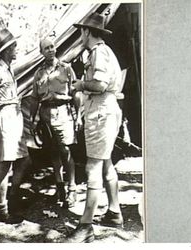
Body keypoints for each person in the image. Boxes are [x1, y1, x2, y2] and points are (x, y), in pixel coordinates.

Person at [65, 13, 124, 242]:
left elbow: (99, 85)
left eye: (82, 31)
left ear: (87, 32)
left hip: (101, 111)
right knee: (105, 162)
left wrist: (80, 84)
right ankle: (115, 212)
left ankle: (86, 225)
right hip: (104, 110)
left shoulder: (99, 52)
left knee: (93, 167)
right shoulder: (101, 52)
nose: (81, 35)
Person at [0, 28, 30, 222]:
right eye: (13, 47)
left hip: (14, 119)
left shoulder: (8, 69)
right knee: (5, 165)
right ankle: (2, 210)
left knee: (25, 160)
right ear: (5, 50)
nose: (16, 50)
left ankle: (13, 197)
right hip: (4, 119)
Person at [30, 37, 80, 208]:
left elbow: (75, 94)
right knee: (53, 152)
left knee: (65, 150)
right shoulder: (39, 74)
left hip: (63, 112)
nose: (50, 50)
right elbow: (35, 99)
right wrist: (32, 119)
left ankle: (72, 189)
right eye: (46, 48)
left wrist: (78, 116)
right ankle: (60, 188)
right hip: (45, 114)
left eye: (52, 47)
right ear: (41, 52)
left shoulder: (66, 69)